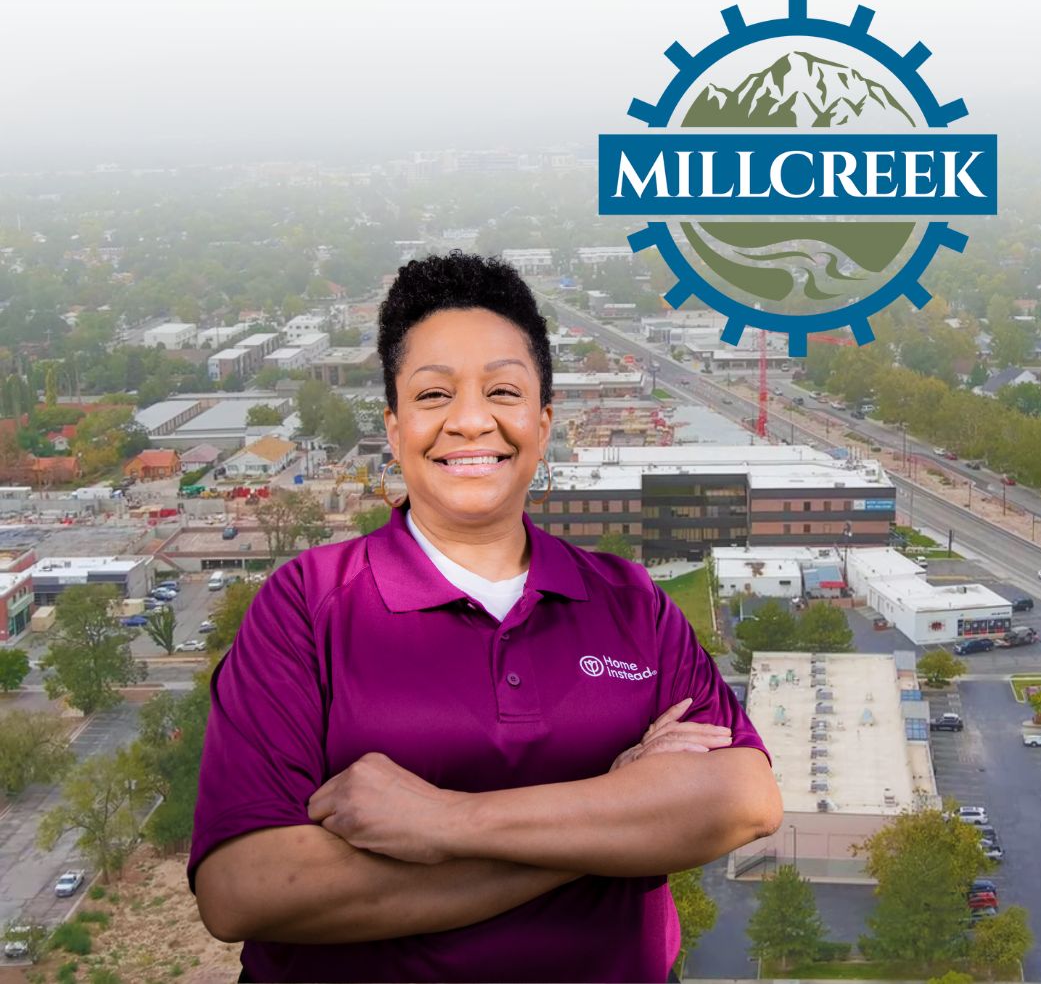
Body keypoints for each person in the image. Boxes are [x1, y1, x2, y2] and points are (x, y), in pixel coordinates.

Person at [189, 252, 782, 983]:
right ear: (394, 424)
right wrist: (616, 819)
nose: (472, 421)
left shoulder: (631, 603)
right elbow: (243, 888)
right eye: (434, 395)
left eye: (503, 390)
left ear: (543, 419)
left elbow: (744, 799)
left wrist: (444, 823)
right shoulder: (307, 607)